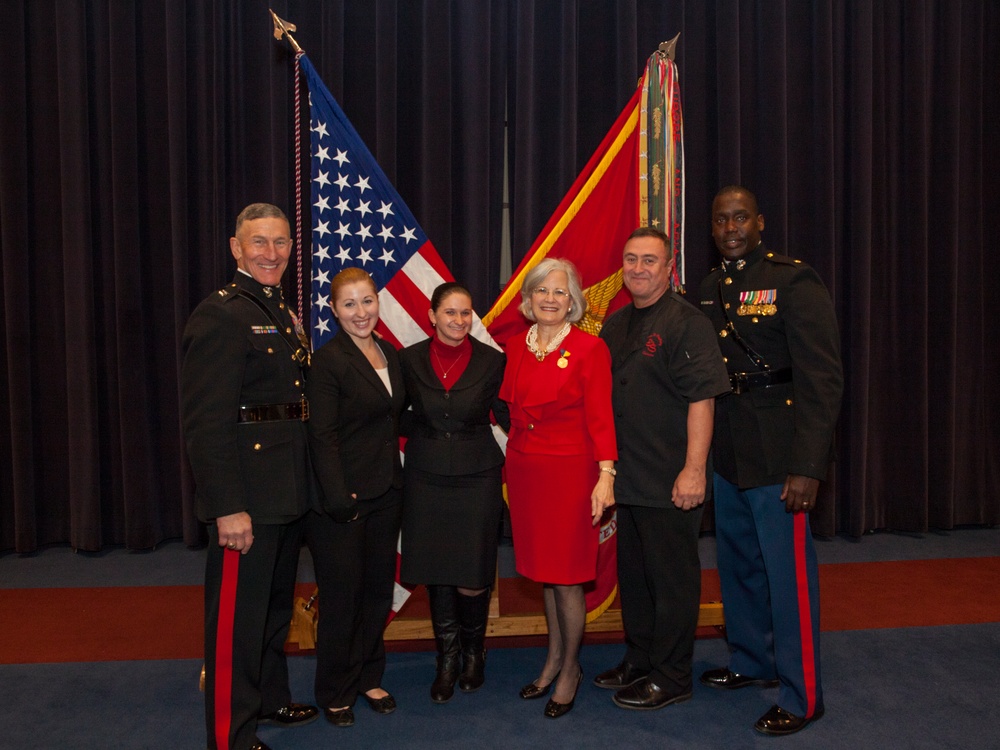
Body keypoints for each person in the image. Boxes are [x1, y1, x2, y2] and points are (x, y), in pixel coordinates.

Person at [697, 186, 843, 736]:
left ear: (759, 222)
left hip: (781, 454)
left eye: (739, 218)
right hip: (731, 449)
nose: (730, 228)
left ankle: (804, 696)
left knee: (789, 579)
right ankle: (751, 661)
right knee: (738, 567)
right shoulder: (710, 287)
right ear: (711, 229)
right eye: (720, 220)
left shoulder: (793, 280)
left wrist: (809, 465)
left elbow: (822, 378)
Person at [181, 202, 318, 750]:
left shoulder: (280, 310)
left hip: (287, 489)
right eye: (258, 242)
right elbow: (206, 423)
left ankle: (268, 699)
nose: (271, 253)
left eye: (280, 242)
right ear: (236, 249)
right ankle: (229, 735)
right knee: (236, 622)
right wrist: (226, 507)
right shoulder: (220, 315)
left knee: (271, 610)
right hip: (248, 500)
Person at [595, 227, 731, 710]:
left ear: (669, 267)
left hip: (671, 479)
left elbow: (703, 399)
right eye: (631, 258)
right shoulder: (615, 323)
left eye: (649, 260)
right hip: (628, 479)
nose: (638, 268)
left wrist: (694, 470)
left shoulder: (685, 323)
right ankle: (641, 658)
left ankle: (672, 675)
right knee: (635, 578)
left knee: (671, 582)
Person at [499, 257, 618, 719]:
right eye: (542, 291)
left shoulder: (590, 349)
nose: (550, 299)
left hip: (572, 475)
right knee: (545, 574)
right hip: (527, 473)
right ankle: (551, 659)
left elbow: (602, 418)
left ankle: (570, 669)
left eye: (560, 292)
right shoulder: (514, 347)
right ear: (528, 300)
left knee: (568, 578)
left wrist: (606, 476)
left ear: (573, 302)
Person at [398, 282, 510, 703]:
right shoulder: (408, 359)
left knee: (473, 572)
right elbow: (393, 414)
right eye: (450, 313)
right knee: (437, 572)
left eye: (466, 314)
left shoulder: (493, 360)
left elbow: (508, 414)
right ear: (432, 316)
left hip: (477, 474)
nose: (459, 321)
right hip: (425, 476)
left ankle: (474, 655)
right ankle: (446, 660)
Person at [304, 266, 406, 728]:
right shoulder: (327, 361)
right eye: (349, 304)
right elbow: (321, 437)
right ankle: (335, 689)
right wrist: (338, 496)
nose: (360, 312)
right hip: (344, 501)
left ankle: (368, 676)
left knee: (375, 593)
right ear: (333, 310)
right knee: (342, 598)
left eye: (367, 301)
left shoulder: (388, 353)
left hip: (386, 493)